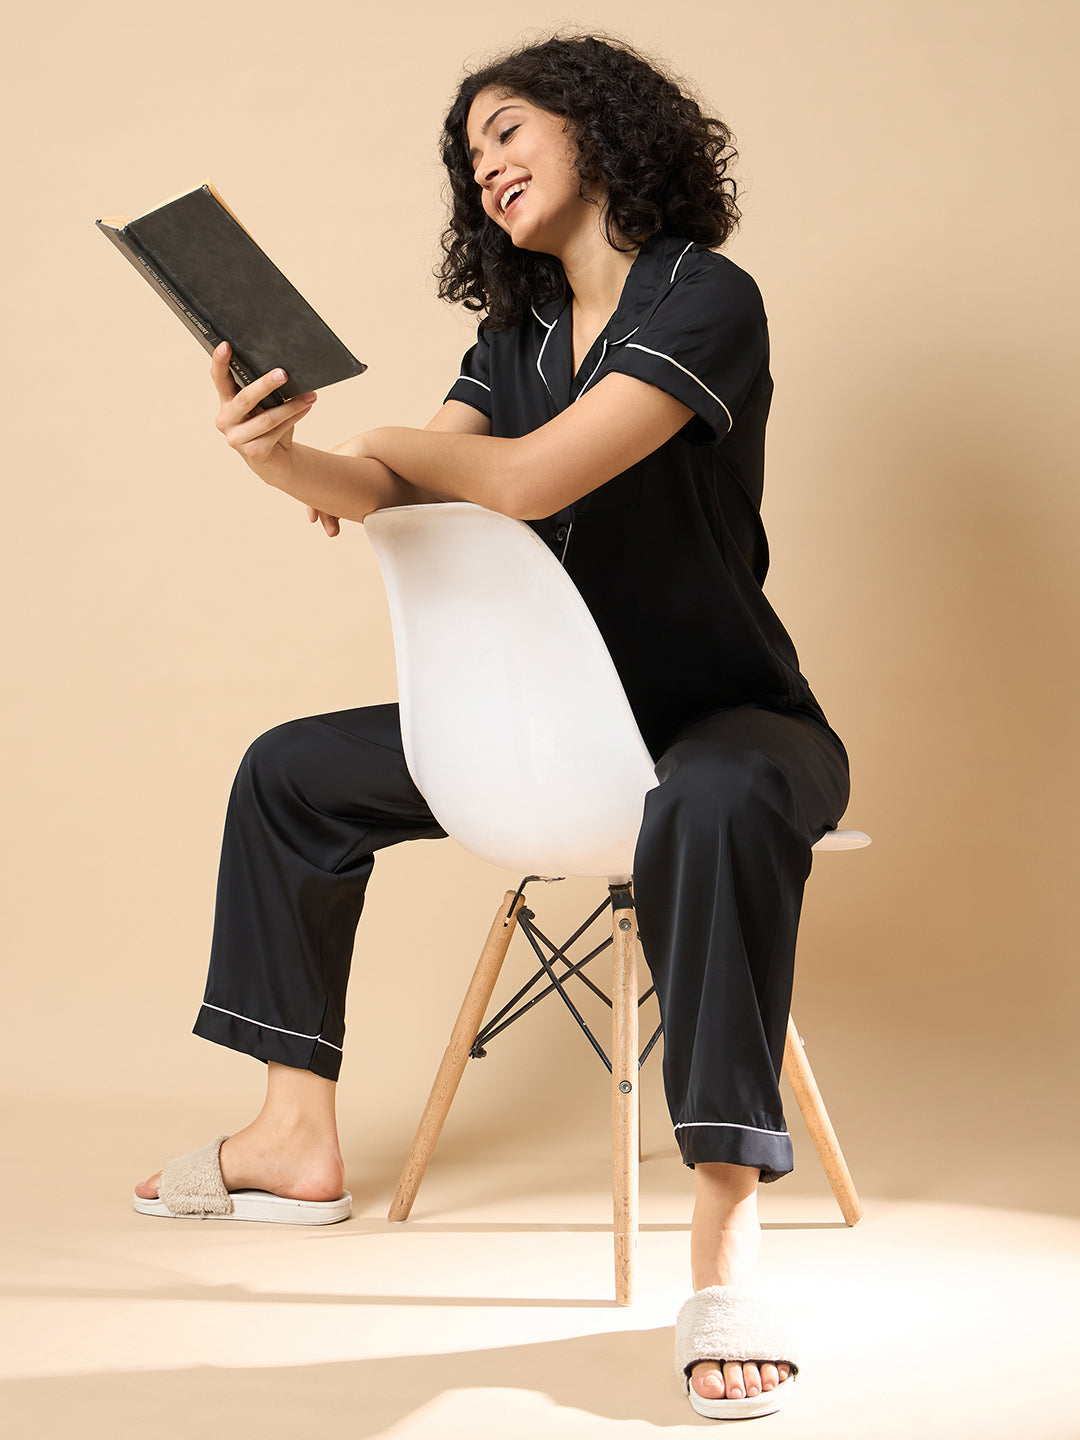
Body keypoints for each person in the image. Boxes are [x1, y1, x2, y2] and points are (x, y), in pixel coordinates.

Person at [134, 32, 850, 1420]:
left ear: (600, 127)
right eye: (473, 155)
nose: (491, 163)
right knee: (291, 772)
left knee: (711, 803)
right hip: (546, 731)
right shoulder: (507, 340)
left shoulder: (705, 298)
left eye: (512, 130)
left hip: (727, 720)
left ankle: (726, 1240)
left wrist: (398, 452)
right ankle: (292, 1137)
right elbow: (395, 478)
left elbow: (517, 477)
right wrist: (283, 453)